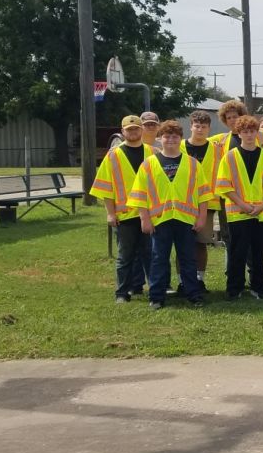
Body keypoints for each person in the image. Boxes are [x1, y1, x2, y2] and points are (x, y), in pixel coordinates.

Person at [128, 119, 214, 309]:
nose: (171, 140)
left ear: (180, 139)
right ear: (160, 139)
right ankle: (157, 297)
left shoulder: (192, 164)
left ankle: (193, 294)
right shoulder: (148, 164)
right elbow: (139, 194)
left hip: (186, 220)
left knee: (188, 258)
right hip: (160, 220)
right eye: (167, 136)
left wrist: (201, 217)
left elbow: (204, 194)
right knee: (159, 258)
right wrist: (144, 218)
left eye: (175, 137)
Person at [215, 115, 263, 300]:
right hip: (238, 212)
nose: (249, 135)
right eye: (245, 131)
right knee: (238, 252)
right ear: (239, 133)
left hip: (262, 213)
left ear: (257, 133)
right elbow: (223, 185)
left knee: (260, 252)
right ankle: (234, 288)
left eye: (252, 131)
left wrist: (261, 205)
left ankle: (258, 287)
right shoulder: (229, 157)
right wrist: (243, 204)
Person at [90, 115, 154, 303]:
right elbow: (105, 188)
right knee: (125, 256)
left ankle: (155, 289)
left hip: (150, 214)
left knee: (150, 255)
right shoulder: (113, 155)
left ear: (141, 130)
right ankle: (122, 293)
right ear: (122, 131)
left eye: (136, 128)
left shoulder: (152, 153)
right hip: (124, 215)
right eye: (129, 129)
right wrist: (110, 213)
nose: (133, 132)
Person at [181, 110, 221, 292]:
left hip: (208, 203)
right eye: (197, 126)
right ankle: (183, 281)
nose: (200, 130)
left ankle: (200, 279)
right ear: (191, 126)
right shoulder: (179, 147)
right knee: (182, 245)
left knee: (201, 243)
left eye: (204, 127)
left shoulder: (216, 149)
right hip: (182, 204)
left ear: (209, 129)